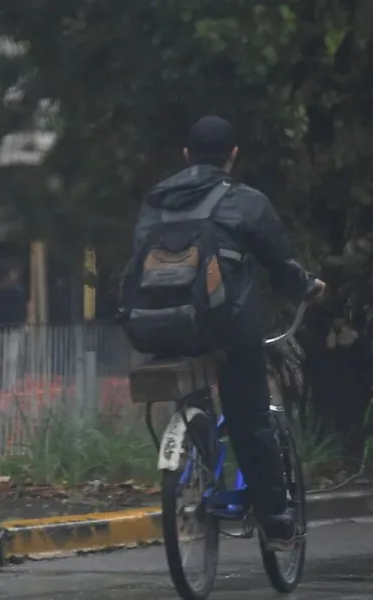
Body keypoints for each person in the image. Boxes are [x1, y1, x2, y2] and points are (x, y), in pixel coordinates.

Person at [131, 116, 325, 550]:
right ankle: (275, 522)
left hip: (158, 327)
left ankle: (195, 454)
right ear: (232, 156)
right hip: (229, 329)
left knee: (195, 385)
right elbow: (279, 264)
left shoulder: (155, 201)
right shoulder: (245, 201)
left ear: (186, 155)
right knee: (250, 417)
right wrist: (307, 287)